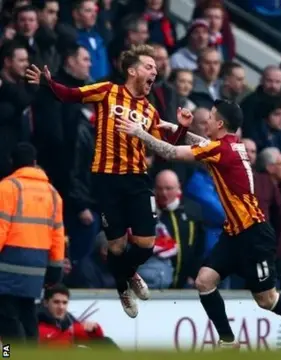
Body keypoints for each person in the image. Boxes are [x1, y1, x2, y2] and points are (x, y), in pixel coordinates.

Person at [115, 99, 281, 349]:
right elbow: (201, 144)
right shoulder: (231, 145)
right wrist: (171, 126)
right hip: (234, 233)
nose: (206, 120)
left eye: (209, 117)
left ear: (220, 123)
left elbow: (171, 153)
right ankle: (228, 341)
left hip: (254, 235)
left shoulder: (223, 150)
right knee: (204, 281)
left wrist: (139, 133)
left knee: (267, 300)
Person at [24, 44, 190, 318]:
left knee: (146, 244)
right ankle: (123, 287)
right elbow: (71, 94)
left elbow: (166, 147)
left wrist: (182, 126)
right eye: (149, 66)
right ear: (132, 70)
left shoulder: (150, 110)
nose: (155, 71)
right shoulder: (108, 91)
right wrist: (48, 83)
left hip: (138, 180)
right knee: (115, 246)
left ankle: (128, 274)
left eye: (156, 69)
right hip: (107, 180)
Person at [0, 143, 65, 343]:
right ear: (35, 163)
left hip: (7, 267)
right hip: (36, 270)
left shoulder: (7, 188)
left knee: (7, 323)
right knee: (28, 316)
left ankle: (8, 356)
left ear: (13, 163)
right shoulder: (53, 194)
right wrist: (55, 269)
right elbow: (57, 235)